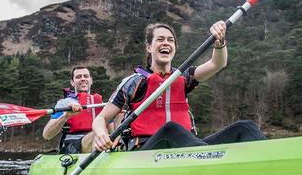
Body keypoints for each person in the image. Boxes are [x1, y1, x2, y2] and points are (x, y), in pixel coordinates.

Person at [92, 22, 266, 152]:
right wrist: (101, 134)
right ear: (149, 47)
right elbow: (101, 119)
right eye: (160, 39)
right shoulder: (134, 82)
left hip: (187, 150)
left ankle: (268, 164)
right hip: (145, 152)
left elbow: (217, 63)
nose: (166, 43)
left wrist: (219, 41)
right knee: (170, 128)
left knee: (245, 127)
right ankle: (208, 162)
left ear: (174, 48)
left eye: (170, 40)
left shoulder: (184, 77)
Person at [43, 66, 104, 154]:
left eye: (86, 76)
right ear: (72, 82)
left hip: (98, 139)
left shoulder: (100, 103)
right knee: (98, 134)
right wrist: (66, 116)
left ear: (91, 80)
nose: (83, 79)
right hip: (72, 145)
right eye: (78, 77)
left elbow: (111, 129)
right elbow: (47, 135)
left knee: (113, 135)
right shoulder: (64, 103)